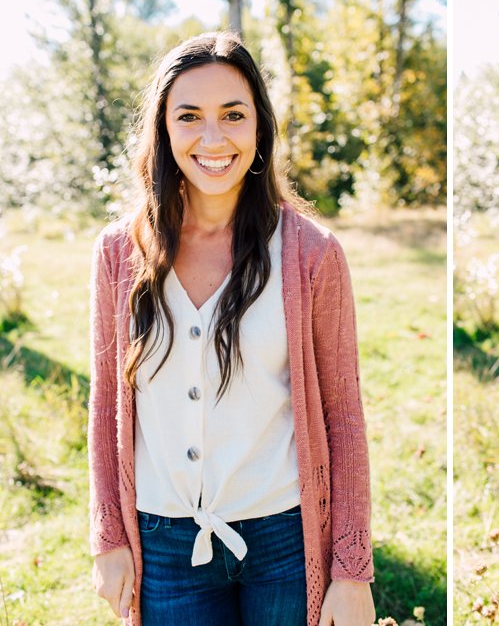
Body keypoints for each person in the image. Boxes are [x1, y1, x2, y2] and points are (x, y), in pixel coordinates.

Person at [88, 31, 376, 626]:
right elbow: (106, 403)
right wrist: (108, 537)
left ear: (259, 128)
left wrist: (351, 572)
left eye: (233, 115)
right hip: (163, 543)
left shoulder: (312, 255)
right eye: (189, 116)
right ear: (164, 130)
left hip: (284, 540)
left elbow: (343, 416)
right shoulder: (119, 252)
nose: (212, 138)